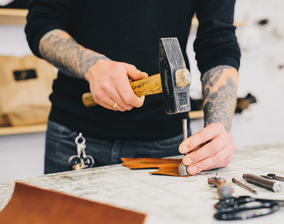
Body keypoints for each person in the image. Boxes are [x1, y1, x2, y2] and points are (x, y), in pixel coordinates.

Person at [25, 0, 241, 175]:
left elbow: (218, 40)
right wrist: (92, 66)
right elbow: (42, 22)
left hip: (166, 142)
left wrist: (218, 130)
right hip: (74, 135)